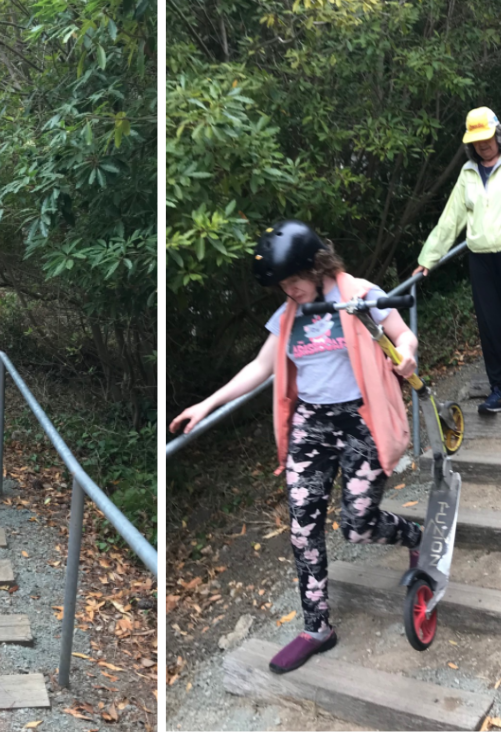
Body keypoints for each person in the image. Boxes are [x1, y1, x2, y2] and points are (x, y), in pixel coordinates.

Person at [168, 220, 421, 674]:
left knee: (358, 525)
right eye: (282, 286)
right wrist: (206, 404)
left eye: (294, 281)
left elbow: (402, 335)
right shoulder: (288, 315)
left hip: (361, 418)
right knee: (302, 529)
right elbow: (261, 365)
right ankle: (317, 628)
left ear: (317, 265)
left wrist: (407, 354)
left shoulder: (360, 293)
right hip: (311, 423)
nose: (290, 291)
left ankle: (412, 536)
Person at [415, 107, 501, 415]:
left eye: (487, 137)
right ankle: (500, 392)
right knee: (490, 324)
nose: (483, 144)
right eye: (476, 140)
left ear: (498, 133)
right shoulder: (468, 173)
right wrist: (428, 257)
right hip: (481, 257)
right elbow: (450, 219)